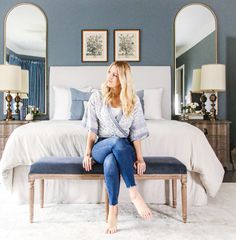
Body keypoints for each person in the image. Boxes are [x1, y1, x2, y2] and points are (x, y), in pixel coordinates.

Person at [82, 61, 152, 234]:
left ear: (124, 79)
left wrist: (140, 158)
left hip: (123, 148)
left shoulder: (133, 102)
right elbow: (91, 132)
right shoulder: (96, 98)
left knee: (111, 161)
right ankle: (134, 193)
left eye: (115, 75)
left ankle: (113, 210)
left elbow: (135, 134)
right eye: (109, 72)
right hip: (101, 146)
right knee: (115, 142)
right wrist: (87, 154)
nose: (110, 77)